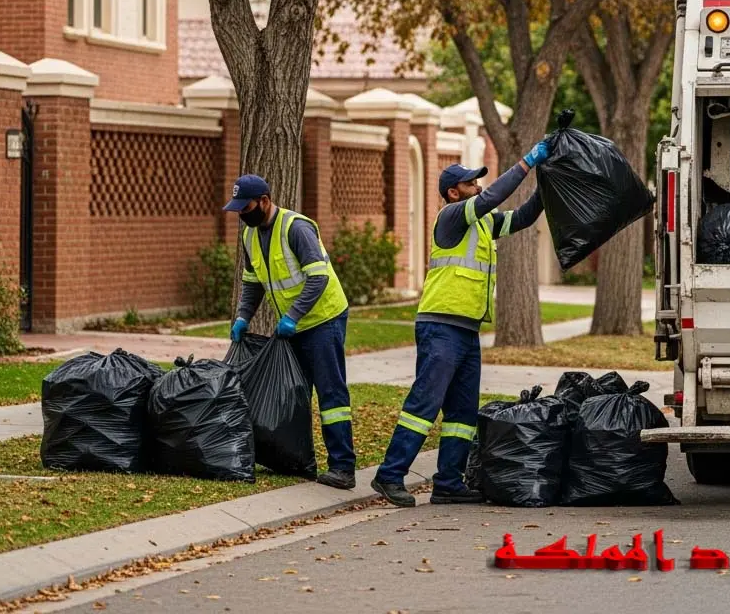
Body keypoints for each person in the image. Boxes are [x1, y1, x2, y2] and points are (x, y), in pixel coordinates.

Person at [371, 139, 551, 506]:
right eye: (470, 183)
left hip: (466, 329)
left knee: (462, 412)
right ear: (454, 192)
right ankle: (389, 476)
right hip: (440, 326)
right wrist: (527, 162)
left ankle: (448, 482)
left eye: (476, 182)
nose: (478, 187)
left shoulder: (482, 223)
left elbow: (523, 217)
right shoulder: (453, 216)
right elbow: (492, 197)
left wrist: (547, 181)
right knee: (425, 403)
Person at [223, 174, 355, 490]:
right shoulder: (250, 236)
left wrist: (293, 316)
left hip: (323, 320)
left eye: (247, 207)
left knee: (331, 393)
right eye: (238, 209)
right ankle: (297, 460)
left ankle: (343, 468)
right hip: (292, 326)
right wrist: (243, 317)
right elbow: (252, 283)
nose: (242, 214)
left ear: (265, 201)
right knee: (294, 392)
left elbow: (318, 278)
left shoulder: (296, 228)